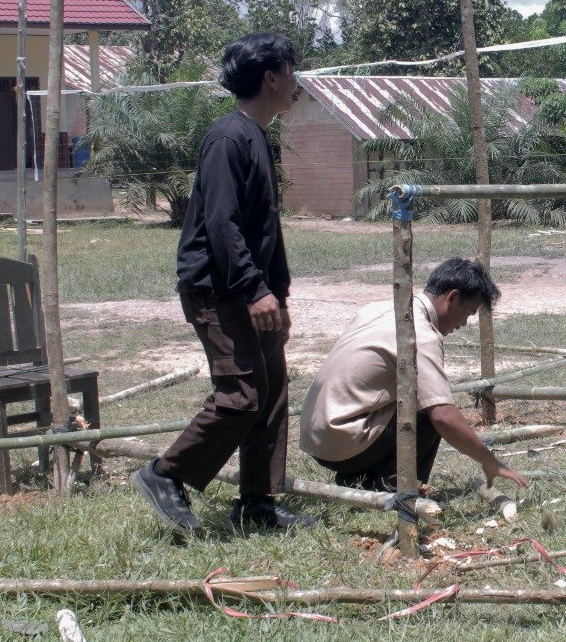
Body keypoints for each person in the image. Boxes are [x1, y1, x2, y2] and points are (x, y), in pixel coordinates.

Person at [133, 32, 313, 534]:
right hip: (218, 289)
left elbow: (264, 229)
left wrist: (277, 292)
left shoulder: (256, 135)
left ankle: (256, 503)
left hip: (252, 289)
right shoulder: (228, 137)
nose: (294, 82)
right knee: (240, 396)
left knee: (272, 389)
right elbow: (221, 223)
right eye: (289, 72)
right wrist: (255, 289)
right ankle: (165, 474)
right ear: (270, 77)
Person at [300, 258, 529, 494]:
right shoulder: (419, 334)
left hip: (316, 436)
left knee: (415, 398)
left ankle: (362, 478)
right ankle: (397, 488)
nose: (463, 324)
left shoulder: (378, 308)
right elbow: (443, 415)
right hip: (342, 442)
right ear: (452, 297)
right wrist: (490, 461)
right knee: (431, 410)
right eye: (468, 313)